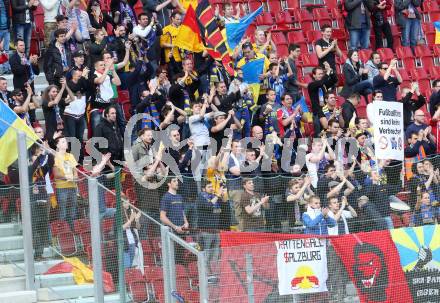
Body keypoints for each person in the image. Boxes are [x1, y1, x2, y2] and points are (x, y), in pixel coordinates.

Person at [196, 181, 224, 275]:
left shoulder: (214, 197)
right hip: (205, 231)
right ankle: (205, 276)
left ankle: (214, 275)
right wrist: (217, 195)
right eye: (209, 187)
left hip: (215, 231)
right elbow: (209, 206)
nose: (211, 188)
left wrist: (221, 194)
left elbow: (221, 208)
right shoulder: (201, 197)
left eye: (212, 186)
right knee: (206, 255)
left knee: (215, 255)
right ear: (204, 189)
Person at [160, 176, 188, 263]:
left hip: (182, 232)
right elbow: (162, 217)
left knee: (181, 258)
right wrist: (175, 227)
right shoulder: (166, 197)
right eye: (174, 181)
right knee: (173, 259)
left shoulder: (180, 197)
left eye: (177, 181)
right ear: (169, 184)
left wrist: (186, 222)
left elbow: (182, 212)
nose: (177, 182)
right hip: (172, 233)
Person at [52, 136, 78, 229]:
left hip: (73, 186)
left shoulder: (70, 156)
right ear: (57, 145)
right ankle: (62, 231)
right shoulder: (55, 156)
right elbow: (56, 174)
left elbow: (75, 170)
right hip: (62, 188)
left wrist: (74, 177)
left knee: (73, 210)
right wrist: (66, 177)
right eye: (63, 142)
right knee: (62, 211)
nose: (66, 143)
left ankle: (73, 230)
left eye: (66, 142)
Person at [307, 63, 338, 135]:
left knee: (328, 132)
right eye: (319, 74)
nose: (321, 75)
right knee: (319, 134)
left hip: (326, 111)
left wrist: (330, 70)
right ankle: (317, 145)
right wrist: (327, 73)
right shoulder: (311, 85)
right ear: (314, 75)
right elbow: (320, 82)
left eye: (322, 74)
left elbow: (335, 80)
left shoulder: (323, 85)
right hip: (317, 113)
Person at [0, 0, 11, 74]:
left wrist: (9, 26)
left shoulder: (6, 1)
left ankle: (6, 68)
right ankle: (1, 69)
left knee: (6, 50)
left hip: (6, 29)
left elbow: (8, 14)